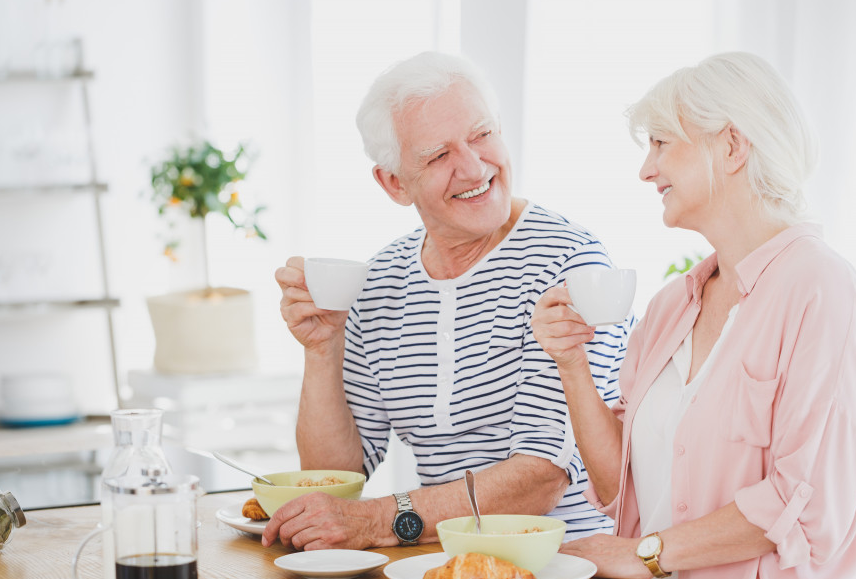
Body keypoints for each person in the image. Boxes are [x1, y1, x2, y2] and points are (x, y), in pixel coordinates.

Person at [532, 52, 856, 579]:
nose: (647, 169)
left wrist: (645, 553)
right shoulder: (671, 306)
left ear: (733, 147)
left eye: (662, 142)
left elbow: (806, 505)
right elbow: (621, 488)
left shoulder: (821, 287)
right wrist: (570, 364)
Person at [264, 51, 634, 552]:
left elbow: (541, 478)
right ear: (394, 182)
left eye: (482, 134)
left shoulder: (571, 266)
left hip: (563, 570)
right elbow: (336, 476)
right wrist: (321, 350)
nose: (474, 166)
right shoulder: (383, 280)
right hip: (436, 571)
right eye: (439, 156)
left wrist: (379, 521)